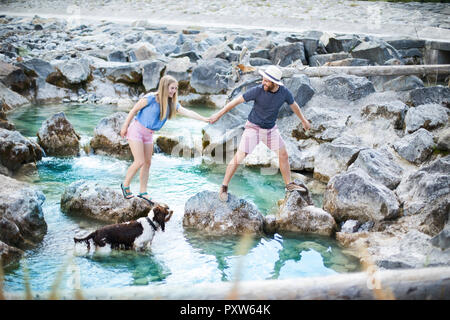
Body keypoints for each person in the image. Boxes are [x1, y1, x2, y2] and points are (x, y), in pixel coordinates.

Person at [209, 65, 311, 202]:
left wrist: (304, 120)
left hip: (270, 130)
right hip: (253, 128)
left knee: (283, 154)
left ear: (275, 83)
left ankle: (289, 185)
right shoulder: (257, 91)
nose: (263, 82)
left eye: (266, 81)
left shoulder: (284, 93)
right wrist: (218, 114)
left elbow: (294, 105)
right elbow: (236, 102)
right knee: (239, 156)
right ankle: (224, 187)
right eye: (263, 79)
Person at [120, 75, 209, 203]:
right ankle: (126, 185)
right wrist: (124, 126)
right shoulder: (150, 98)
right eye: (172, 88)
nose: (174, 91)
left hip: (149, 134)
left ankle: (143, 192)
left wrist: (204, 119)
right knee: (139, 161)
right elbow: (133, 110)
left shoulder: (171, 103)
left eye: (176, 88)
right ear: (164, 87)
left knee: (147, 163)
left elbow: (187, 112)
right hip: (136, 130)